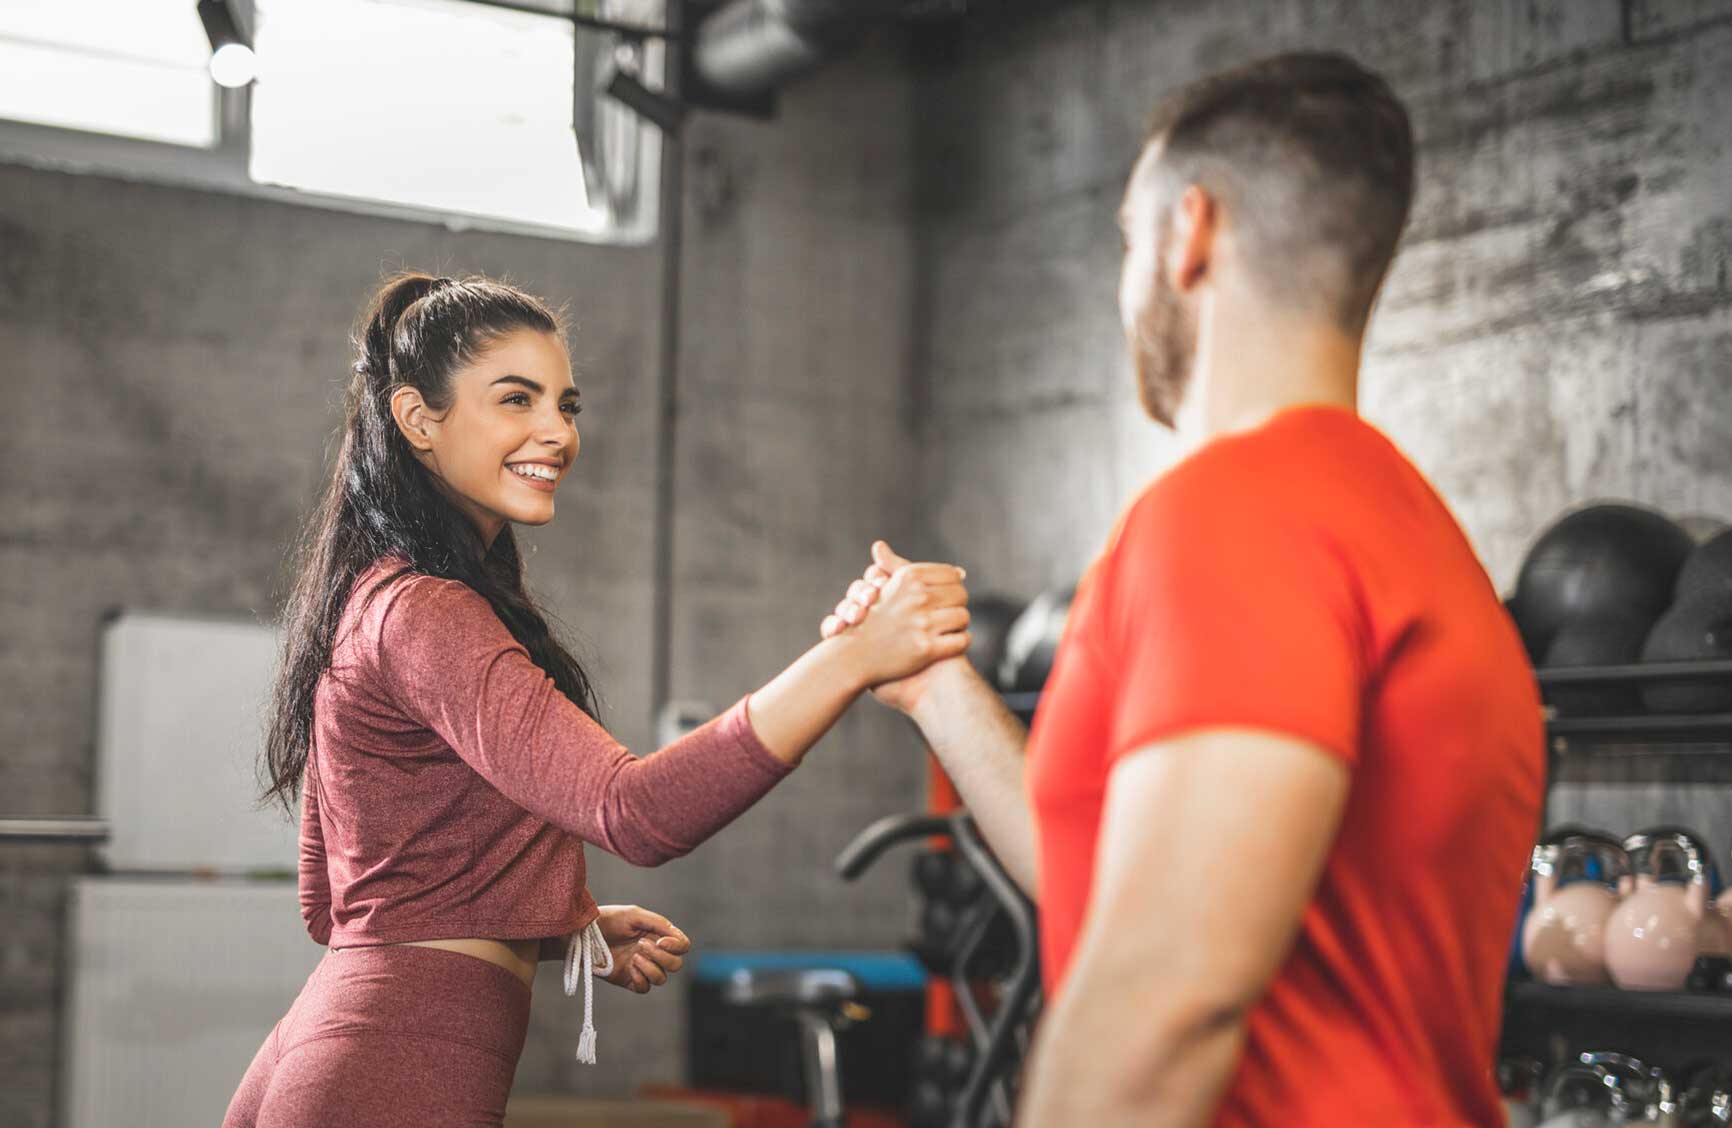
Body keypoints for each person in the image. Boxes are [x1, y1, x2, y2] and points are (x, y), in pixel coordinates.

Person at [823, 53, 1545, 1127]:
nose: (1129, 279)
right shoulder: (1409, 534)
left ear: (1187, 233)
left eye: (1127, 237)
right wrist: (938, 690)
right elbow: (1121, 890)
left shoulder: (1235, 515)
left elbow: (1161, 1002)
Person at [222, 271, 972, 1128]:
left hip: (331, 1046)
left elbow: (338, 898)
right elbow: (634, 811)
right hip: (397, 1066)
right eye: (515, 399)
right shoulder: (428, 610)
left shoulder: (374, 597)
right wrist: (853, 657)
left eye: (566, 405)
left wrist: (553, 925)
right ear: (418, 418)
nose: (556, 432)